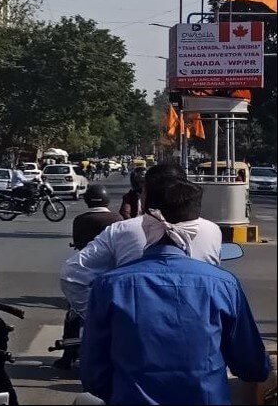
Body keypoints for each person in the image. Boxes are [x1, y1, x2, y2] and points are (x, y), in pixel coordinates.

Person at [80, 179, 271, 404]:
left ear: (145, 220)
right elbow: (253, 367)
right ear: (196, 226)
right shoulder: (223, 285)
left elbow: (93, 376)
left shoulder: (109, 285)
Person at [61, 162, 223, 321]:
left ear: (145, 198)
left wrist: (101, 319)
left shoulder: (122, 232)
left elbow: (72, 276)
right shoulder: (213, 233)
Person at [54, 184, 122, 370]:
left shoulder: (81, 219)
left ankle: (68, 355)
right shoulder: (118, 219)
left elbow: (77, 243)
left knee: (73, 314)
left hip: (85, 274)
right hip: (111, 273)